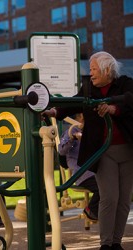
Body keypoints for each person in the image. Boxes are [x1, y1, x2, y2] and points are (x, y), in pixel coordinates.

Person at [43, 51, 133, 250]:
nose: (90, 73)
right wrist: (55, 112)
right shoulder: (89, 89)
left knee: (124, 199)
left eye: (94, 69)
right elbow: (74, 103)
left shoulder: (126, 84)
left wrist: (113, 109)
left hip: (127, 150)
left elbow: (129, 101)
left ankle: (117, 242)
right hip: (104, 151)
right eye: (90, 69)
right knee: (109, 197)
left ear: (107, 69)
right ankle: (106, 243)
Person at [58, 113, 99, 221]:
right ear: (79, 116)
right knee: (104, 189)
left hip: (95, 171)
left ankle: (98, 212)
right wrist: (73, 137)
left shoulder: (92, 130)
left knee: (113, 187)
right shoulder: (71, 131)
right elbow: (61, 150)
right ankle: (91, 210)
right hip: (82, 173)